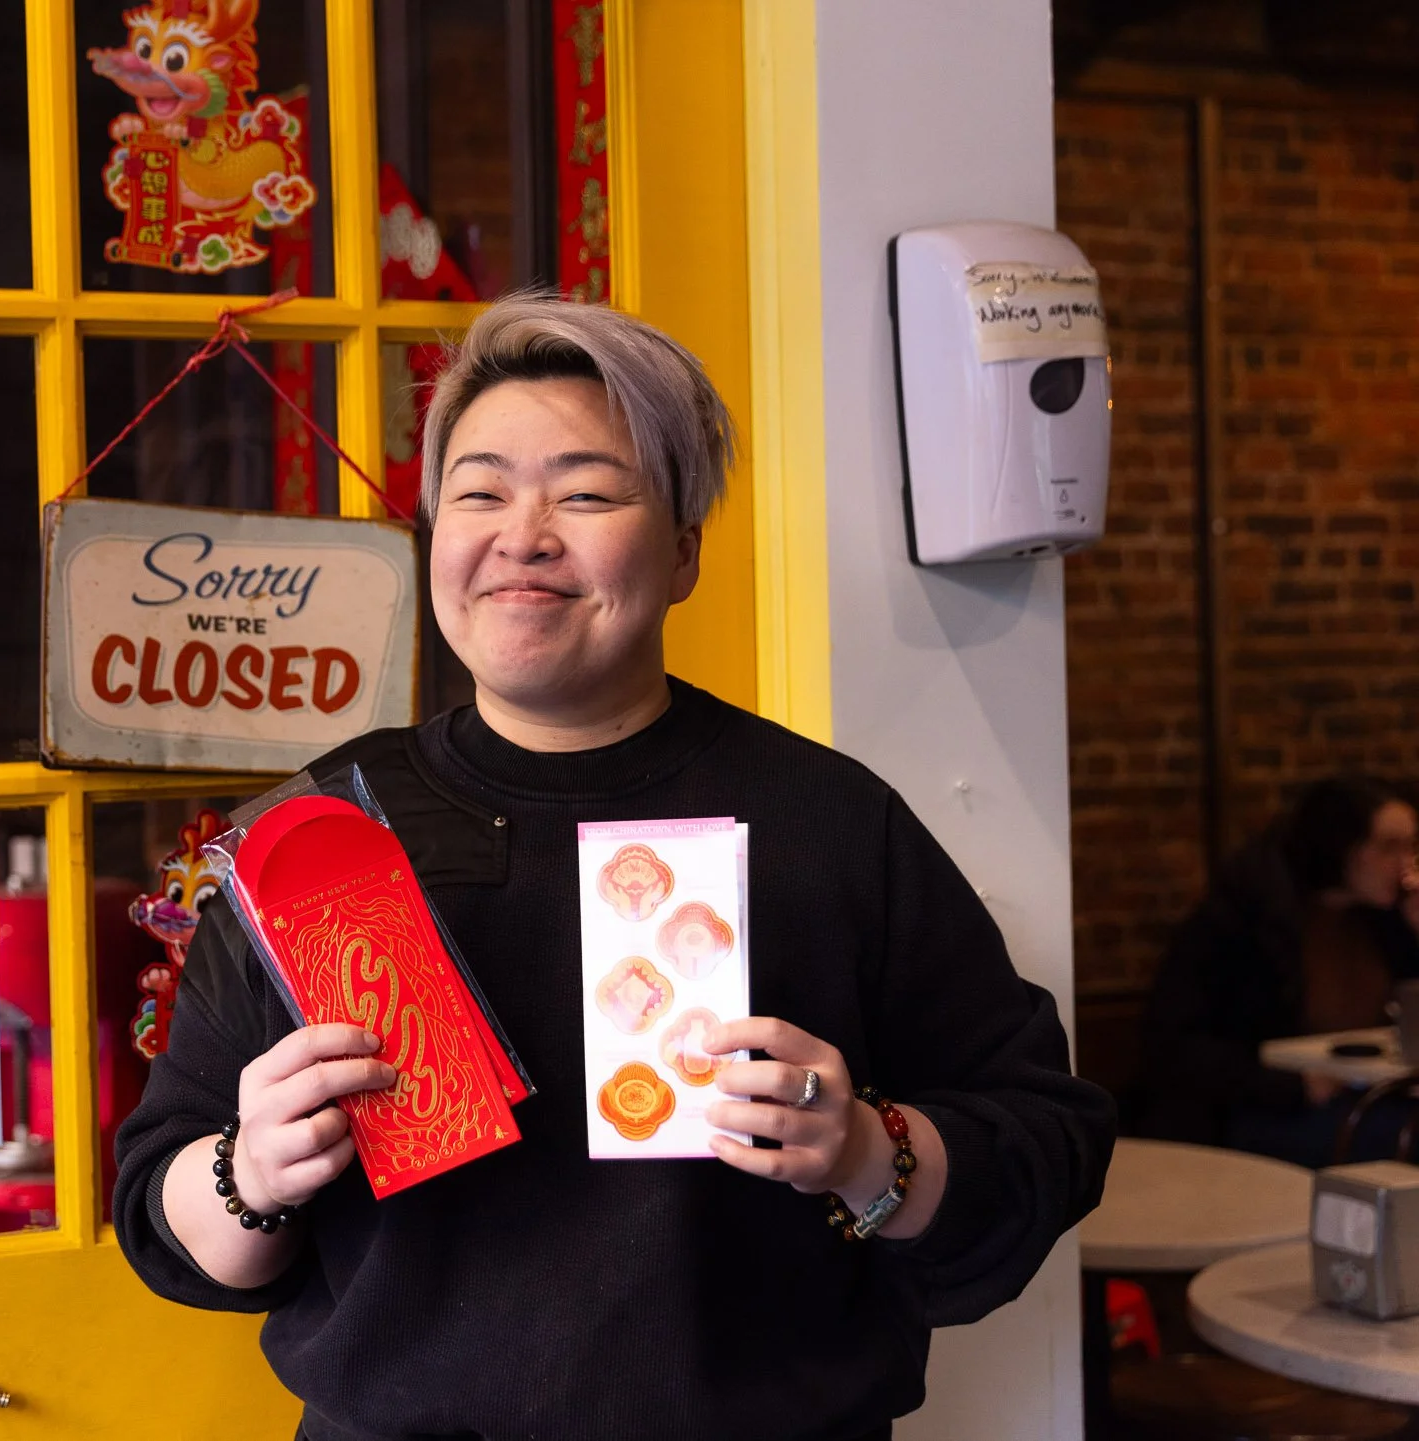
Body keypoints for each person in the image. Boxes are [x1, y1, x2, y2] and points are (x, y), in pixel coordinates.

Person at [114, 295, 1114, 1441]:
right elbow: (164, 1209)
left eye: (586, 492)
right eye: (481, 491)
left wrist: (864, 1149)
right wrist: (255, 1166)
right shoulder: (325, 831)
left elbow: (1046, 1136)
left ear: (684, 550)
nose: (524, 533)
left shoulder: (829, 821)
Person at [1139, 776, 1419, 1164]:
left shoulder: (1385, 920)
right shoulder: (1247, 916)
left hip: (1368, 1096)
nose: (1406, 865)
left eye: (1411, 846)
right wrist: (1294, 1086)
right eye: (1390, 847)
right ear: (1341, 847)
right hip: (1261, 1109)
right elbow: (1173, 1047)